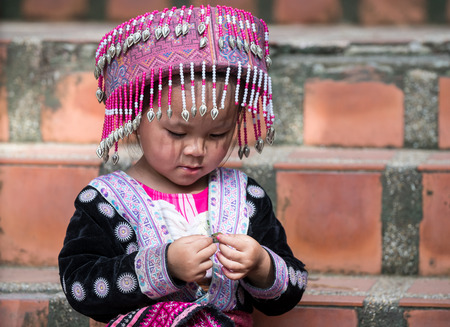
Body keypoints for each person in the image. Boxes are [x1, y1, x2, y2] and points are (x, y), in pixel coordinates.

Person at [58, 5, 307, 327]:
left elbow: (292, 286)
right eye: (177, 132)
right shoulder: (105, 201)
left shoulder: (245, 196)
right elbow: (80, 286)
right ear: (136, 121)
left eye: (218, 134)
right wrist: (164, 266)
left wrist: (261, 265)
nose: (196, 150)